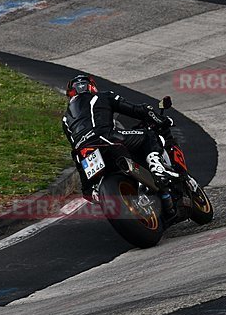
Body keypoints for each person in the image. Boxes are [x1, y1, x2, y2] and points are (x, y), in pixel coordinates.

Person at [61, 74, 179, 215]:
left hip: (84, 153)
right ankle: (157, 168)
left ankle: (97, 190)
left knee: (88, 184)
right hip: (107, 139)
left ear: (70, 93)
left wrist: (87, 189)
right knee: (148, 135)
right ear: (91, 87)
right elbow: (137, 109)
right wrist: (160, 119)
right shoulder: (103, 96)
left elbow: (74, 146)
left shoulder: (65, 119)